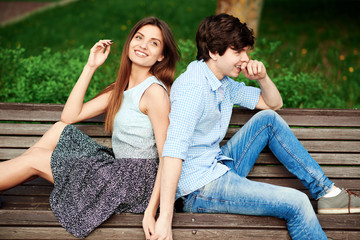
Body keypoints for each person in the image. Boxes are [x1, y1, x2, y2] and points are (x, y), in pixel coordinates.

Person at [151, 13, 360, 240]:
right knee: (298, 203)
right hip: (198, 189)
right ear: (213, 51)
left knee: (268, 119)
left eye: (246, 51)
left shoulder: (222, 81)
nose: (245, 59)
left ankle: (327, 192)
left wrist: (263, 78)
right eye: (237, 52)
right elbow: (172, 151)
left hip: (216, 166)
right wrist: (165, 218)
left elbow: (274, 104)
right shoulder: (193, 88)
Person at [0, 16, 180, 238]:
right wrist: (90, 65)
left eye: (154, 42)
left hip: (135, 184)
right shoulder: (121, 88)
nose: (143, 45)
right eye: (139, 37)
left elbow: (167, 157)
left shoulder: (154, 93)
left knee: (34, 159)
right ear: (129, 42)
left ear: (161, 55)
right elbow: (69, 116)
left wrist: (151, 211)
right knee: (58, 129)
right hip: (120, 171)